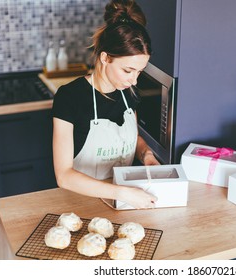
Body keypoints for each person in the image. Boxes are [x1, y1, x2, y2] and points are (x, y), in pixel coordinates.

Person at [52, 0, 160, 209]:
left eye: (139, 72)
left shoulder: (128, 92)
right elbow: (63, 176)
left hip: (122, 204)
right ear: (105, 58)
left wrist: (145, 153)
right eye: (128, 70)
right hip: (80, 206)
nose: (134, 80)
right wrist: (122, 192)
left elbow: (132, 138)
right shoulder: (70, 97)